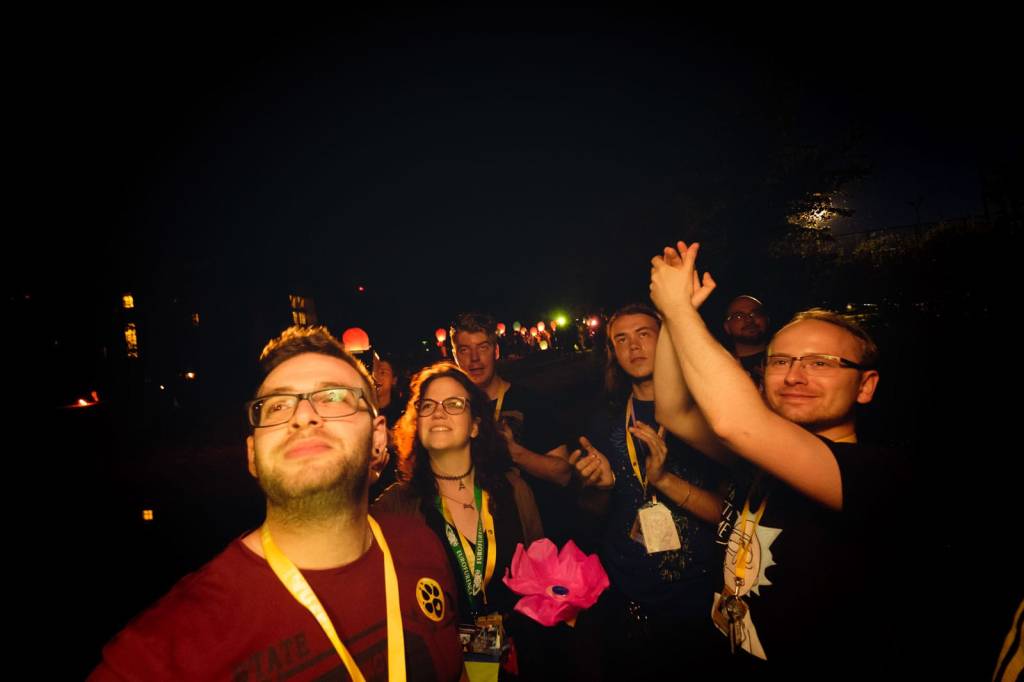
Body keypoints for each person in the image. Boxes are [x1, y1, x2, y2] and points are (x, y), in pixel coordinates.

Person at [91, 326, 464, 681]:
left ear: (378, 439)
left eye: (333, 397)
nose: (303, 415)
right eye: (277, 406)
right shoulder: (170, 649)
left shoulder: (421, 545)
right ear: (253, 454)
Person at [650, 242, 907, 674]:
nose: (794, 376)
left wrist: (679, 311)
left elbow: (736, 423)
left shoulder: (878, 473)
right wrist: (671, 318)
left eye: (821, 363)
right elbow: (672, 412)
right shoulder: (757, 462)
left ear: (865, 386)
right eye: (781, 361)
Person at [570, 303, 731, 677]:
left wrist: (664, 480)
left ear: (667, 341)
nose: (634, 346)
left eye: (644, 334)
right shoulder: (605, 419)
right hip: (628, 592)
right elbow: (592, 515)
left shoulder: (706, 415)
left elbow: (732, 518)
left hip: (700, 594)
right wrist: (598, 488)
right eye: (621, 339)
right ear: (612, 352)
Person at [373, 363, 547, 676]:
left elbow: (543, 579)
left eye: (453, 404)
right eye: (428, 405)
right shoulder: (396, 506)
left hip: (524, 658)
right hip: (444, 668)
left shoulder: (514, 490)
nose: (438, 412)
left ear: (475, 426)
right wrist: (360, 480)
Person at [451, 312, 574, 544]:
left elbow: (563, 473)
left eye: (483, 347)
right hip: (479, 541)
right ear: (455, 356)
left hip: (536, 537)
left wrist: (515, 452)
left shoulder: (530, 401)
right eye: (465, 350)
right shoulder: (453, 411)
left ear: (496, 351)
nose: (474, 358)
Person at [722, 294, 770, 387]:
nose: (749, 320)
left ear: (767, 319)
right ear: (727, 327)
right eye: (739, 316)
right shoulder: (723, 366)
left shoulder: (786, 356)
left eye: (755, 314)